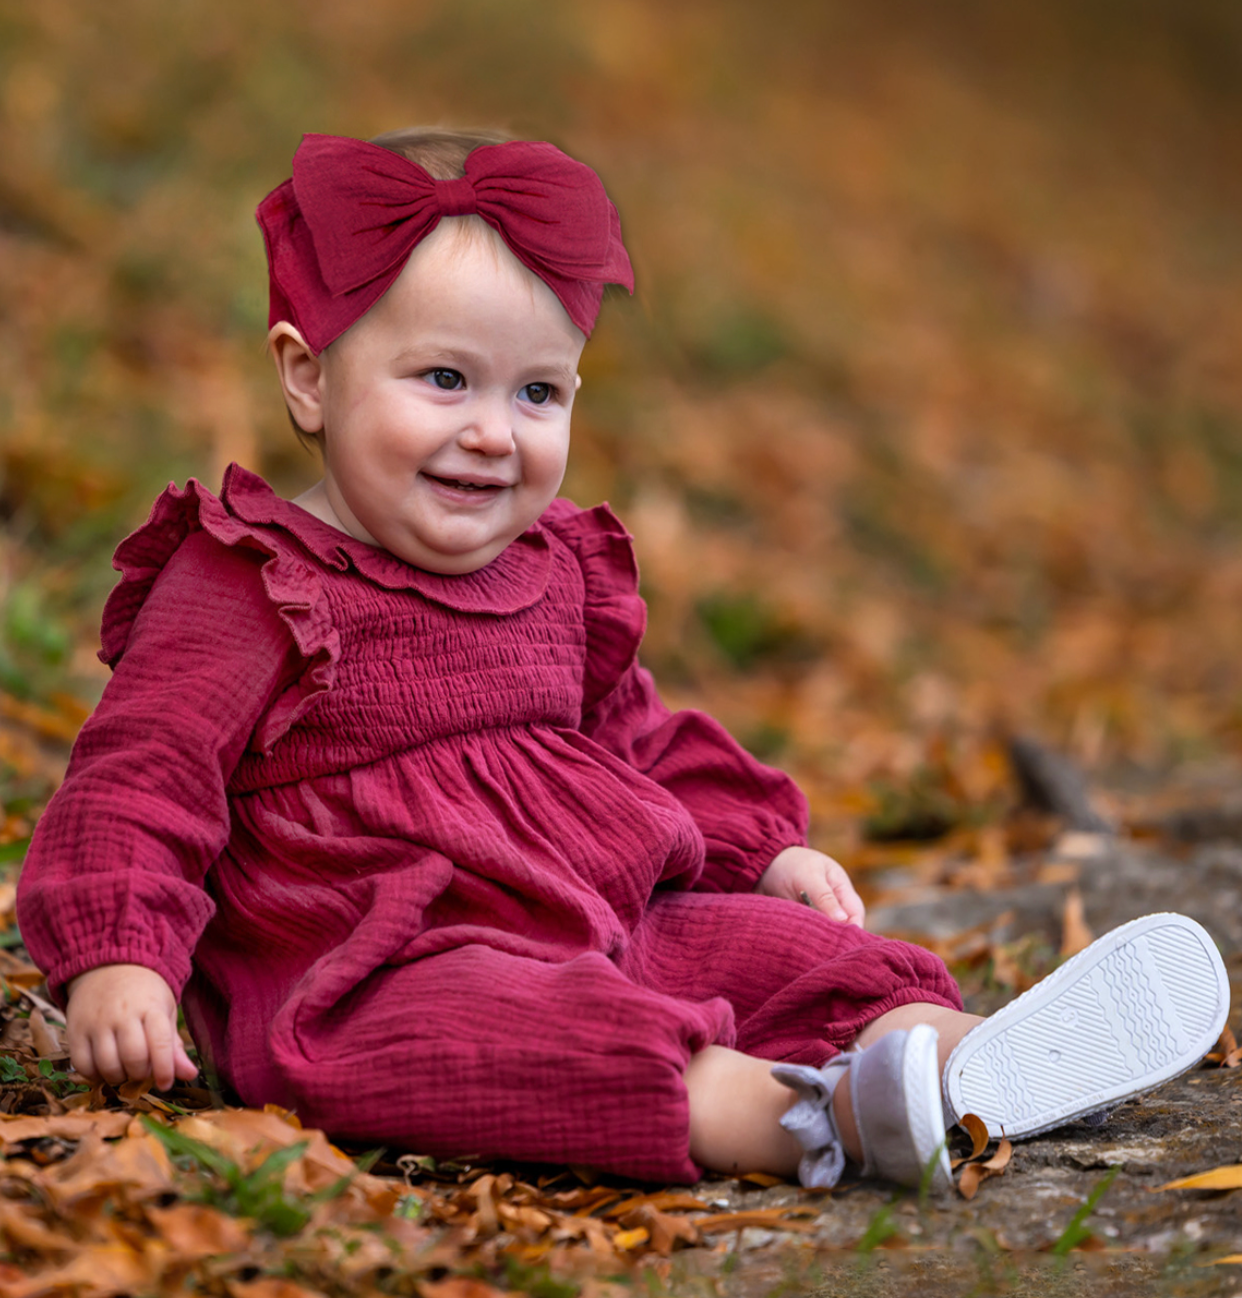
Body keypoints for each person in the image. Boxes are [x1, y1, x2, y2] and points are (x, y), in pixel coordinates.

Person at [16, 128, 1230, 1193]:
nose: (494, 432)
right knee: (532, 1034)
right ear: (308, 374)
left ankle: (973, 1060)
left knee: (788, 958)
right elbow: (142, 775)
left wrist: (769, 845)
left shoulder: (550, 566)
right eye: (444, 380)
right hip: (376, 963)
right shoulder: (249, 581)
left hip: (611, 912)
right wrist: (120, 954)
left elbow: (638, 738)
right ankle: (805, 1115)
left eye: (538, 391)